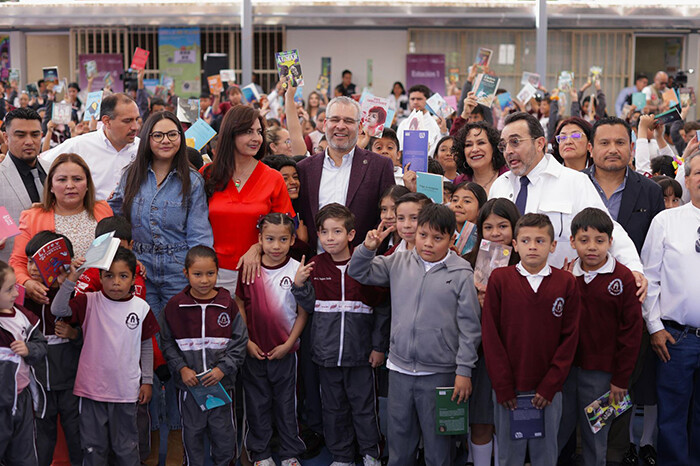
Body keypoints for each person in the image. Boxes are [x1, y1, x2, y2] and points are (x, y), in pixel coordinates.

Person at [348, 203, 481, 466]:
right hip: (399, 370)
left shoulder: (462, 274)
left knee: (438, 446)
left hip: (440, 373)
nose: (428, 243)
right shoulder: (398, 260)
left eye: (438, 238)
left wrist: (463, 371)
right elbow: (358, 271)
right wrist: (367, 248)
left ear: (452, 239)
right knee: (399, 441)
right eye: (423, 235)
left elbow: (470, 328)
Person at [489, 112, 646, 291]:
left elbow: (608, 227)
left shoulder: (573, 182)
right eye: (504, 145)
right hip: (507, 290)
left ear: (539, 143)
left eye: (515, 142)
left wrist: (633, 268)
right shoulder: (500, 186)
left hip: (558, 292)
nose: (508, 150)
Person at [292, 203, 387, 466]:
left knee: (365, 408)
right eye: (324, 232)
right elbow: (309, 307)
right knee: (333, 410)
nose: (330, 238)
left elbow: (380, 310)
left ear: (351, 234)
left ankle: (370, 453)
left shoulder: (367, 263)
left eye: (336, 231)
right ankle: (342, 456)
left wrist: (378, 346)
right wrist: (299, 285)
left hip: (361, 356)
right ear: (318, 236)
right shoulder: (313, 265)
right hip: (327, 356)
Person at [482, 213, 581, 466]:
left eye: (540, 241)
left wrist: (551, 384)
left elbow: (569, 339)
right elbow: (491, 336)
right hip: (508, 389)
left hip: (547, 390)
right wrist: (502, 385)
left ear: (553, 246)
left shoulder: (566, 283)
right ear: (515, 244)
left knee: (545, 455)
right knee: (508, 455)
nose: (533, 247)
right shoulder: (500, 280)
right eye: (526, 241)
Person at [51, 247, 159, 465]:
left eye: (123, 276)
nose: (115, 282)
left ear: (133, 278)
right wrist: (73, 277)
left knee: (127, 449)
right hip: (92, 392)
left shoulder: (141, 307)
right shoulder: (88, 301)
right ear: (100, 277)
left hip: (126, 393)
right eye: (109, 276)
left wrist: (147, 380)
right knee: (93, 449)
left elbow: (146, 345)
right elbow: (58, 309)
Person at [557, 208, 642, 466]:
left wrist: (620, 379)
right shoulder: (566, 277)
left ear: (610, 242)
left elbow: (631, 334)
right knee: (558, 432)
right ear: (572, 242)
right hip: (566, 371)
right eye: (584, 240)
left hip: (604, 377)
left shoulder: (624, 278)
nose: (591, 247)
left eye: (599, 240)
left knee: (597, 438)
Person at [108, 111, 213, 314]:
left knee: (178, 331)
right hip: (139, 266)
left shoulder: (192, 181)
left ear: (180, 139)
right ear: (147, 139)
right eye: (158, 135)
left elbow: (198, 233)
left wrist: (198, 272)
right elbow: (114, 218)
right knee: (146, 333)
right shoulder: (131, 175)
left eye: (172, 135)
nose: (166, 141)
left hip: (179, 267)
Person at [158, 245, 247, 466]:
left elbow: (240, 342)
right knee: (192, 436)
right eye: (197, 274)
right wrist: (181, 368)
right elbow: (166, 342)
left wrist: (222, 369)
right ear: (186, 273)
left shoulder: (228, 305)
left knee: (225, 437)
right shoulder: (175, 307)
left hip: (222, 387)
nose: (205, 280)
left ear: (218, 273)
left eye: (210, 274)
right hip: (189, 389)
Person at [640, 151, 700, 466]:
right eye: (698, 173)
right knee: (672, 418)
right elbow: (650, 278)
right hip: (677, 339)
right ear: (687, 180)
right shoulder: (666, 220)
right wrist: (655, 328)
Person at [236, 214, 307, 466]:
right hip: (254, 351)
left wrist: (289, 344)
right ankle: (261, 453)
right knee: (257, 404)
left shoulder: (297, 269)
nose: (276, 246)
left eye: (283, 239)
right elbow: (241, 304)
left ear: (292, 240)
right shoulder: (248, 268)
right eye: (269, 239)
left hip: (286, 353)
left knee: (287, 405)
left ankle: (290, 453)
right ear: (259, 240)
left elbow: (302, 312)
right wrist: (246, 341)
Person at [201, 104, 295, 292]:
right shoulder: (207, 174)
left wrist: (258, 247)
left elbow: (288, 226)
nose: (256, 138)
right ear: (231, 134)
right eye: (248, 132)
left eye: (259, 132)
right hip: (211, 275)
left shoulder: (273, 178)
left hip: (260, 272)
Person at [10, 153, 113, 305]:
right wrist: (27, 283)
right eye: (62, 179)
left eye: (77, 179)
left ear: (87, 184)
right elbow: (17, 262)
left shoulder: (103, 209)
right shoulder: (32, 216)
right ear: (50, 185)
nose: (70, 185)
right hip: (53, 302)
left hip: (101, 299)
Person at [296, 96, 395, 253]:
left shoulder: (380, 166)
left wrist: (366, 254)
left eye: (348, 121)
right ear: (325, 124)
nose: (340, 126)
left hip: (362, 267)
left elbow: (386, 217)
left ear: (360, 126)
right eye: (335, 119)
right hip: (315, 268)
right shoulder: (304, 169)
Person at [22, 231, 83, 466]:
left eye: (40, 260)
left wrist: (74, 334)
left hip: (71, 382)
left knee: (76, 437)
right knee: (43, 439)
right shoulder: (22, 297)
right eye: (29, 260)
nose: (33, 266)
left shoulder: (74, 293)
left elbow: (90, 335)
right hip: (38, 383)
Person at [584, 117, 665, 253]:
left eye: (620, 143)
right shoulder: (574, 183)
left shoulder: (651, 191)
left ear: (631, 148)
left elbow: (657, 247)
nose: (613, 150)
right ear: (590, 149)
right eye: (604, 143)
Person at [39, 93, 141, 200]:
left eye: (136, 119)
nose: (135, 127)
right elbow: (42, 164)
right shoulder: (79, 145)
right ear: (107, 121)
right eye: (127, 121)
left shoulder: (143, 148)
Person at [0, 260, 48, 466]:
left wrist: (29, 350)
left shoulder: (23, 316)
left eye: (15, 287)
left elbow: (41, 343)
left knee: (24, 456)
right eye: (9, 289)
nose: (15, 294)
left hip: (22, 399)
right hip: (1, 405)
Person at [0, 108, 49, 263]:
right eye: (20, 135)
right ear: (6, 137)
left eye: (35, 135)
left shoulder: (54, 169)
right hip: (10, 271)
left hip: (57, 270)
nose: (29, 141)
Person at [452, 121, 508, 194]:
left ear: (494, 147)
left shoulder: (511, 178)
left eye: (481, 143)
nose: (475, 149)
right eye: (468, 145)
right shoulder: (459, 182)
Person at [396, 84, 443, 156]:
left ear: (427, 101)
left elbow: (435, 150)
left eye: (419, 99)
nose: (415, 102)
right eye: (412, 99)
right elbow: (399, 146)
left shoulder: (434, 124)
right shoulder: (403, 123)